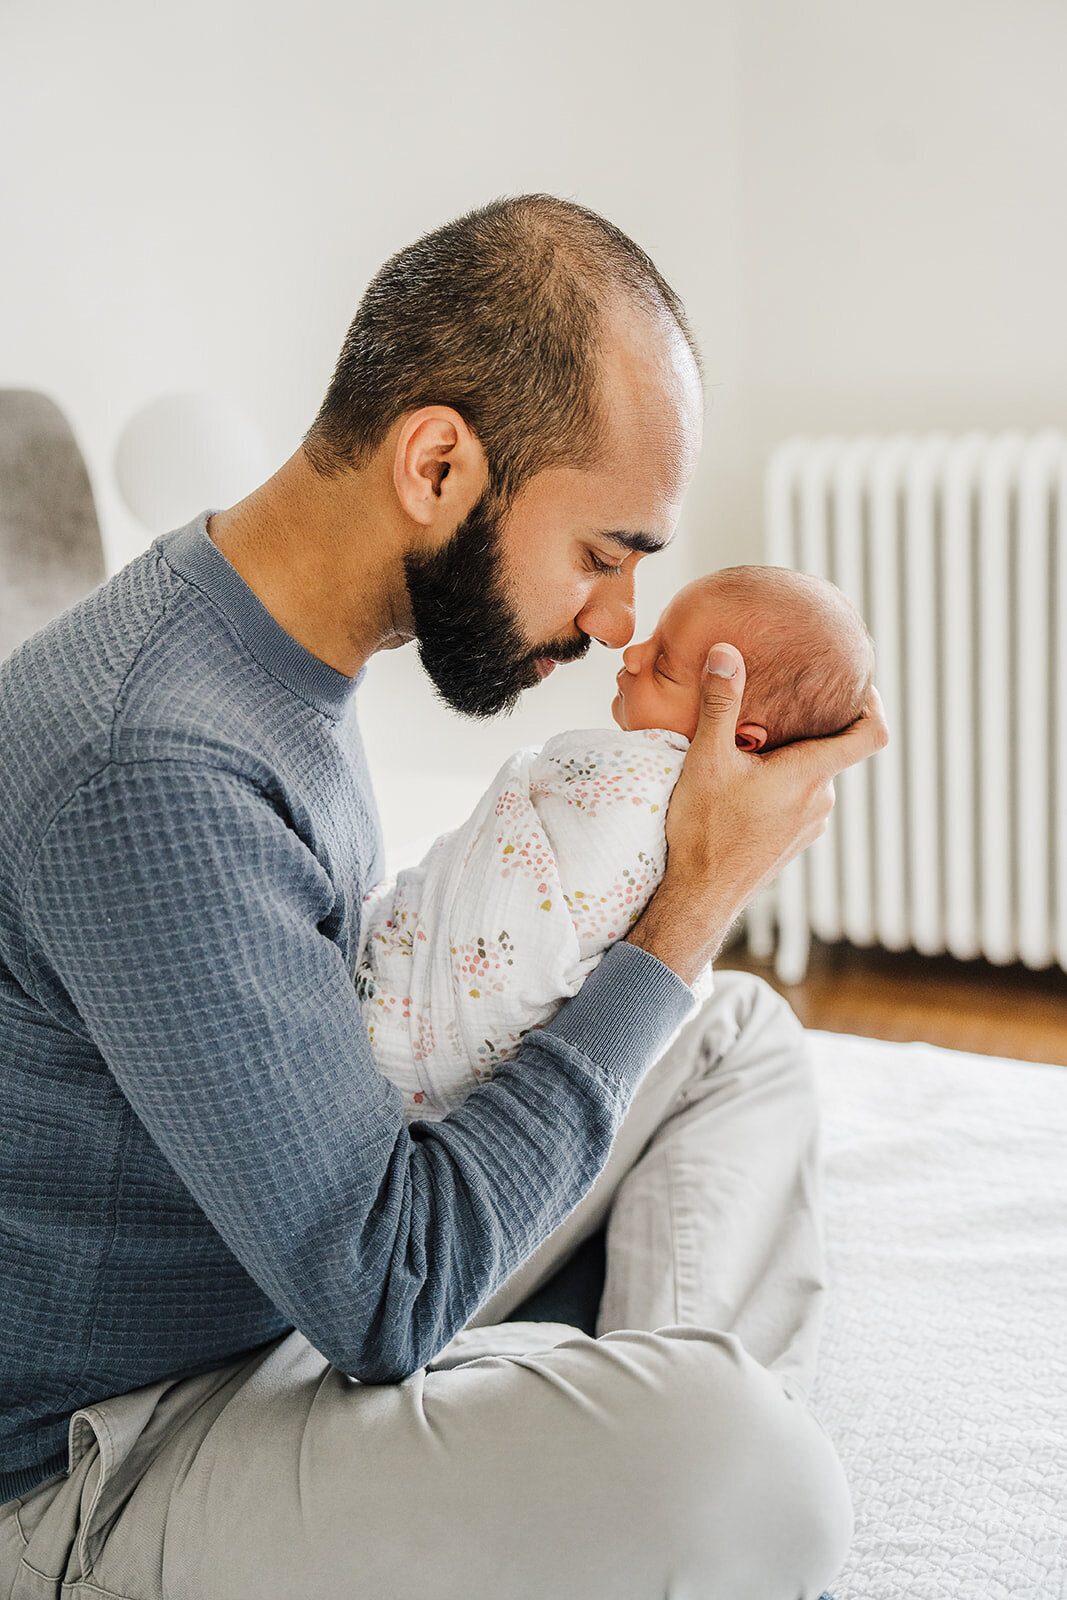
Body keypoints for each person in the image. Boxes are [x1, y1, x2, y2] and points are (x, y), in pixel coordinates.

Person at [0, 195, 887, 1600]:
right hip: (119, 1449)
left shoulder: (280, 636)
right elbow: (383, 1293)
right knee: (746, 1475)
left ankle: (599, 1453)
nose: (612, 626)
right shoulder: (149, 765)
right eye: (599, 555)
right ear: (435, 463)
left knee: (732, 1038)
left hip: (305, 1263)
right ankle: (620, 1466)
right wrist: (687, 900)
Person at [359, 564, 874, 1123]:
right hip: (454, 1100)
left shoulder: (640, 789)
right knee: (747, 1025)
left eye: (663, 666)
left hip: (435, 1047)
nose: (631, 653)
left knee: (750, 1015)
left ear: (738, 737)